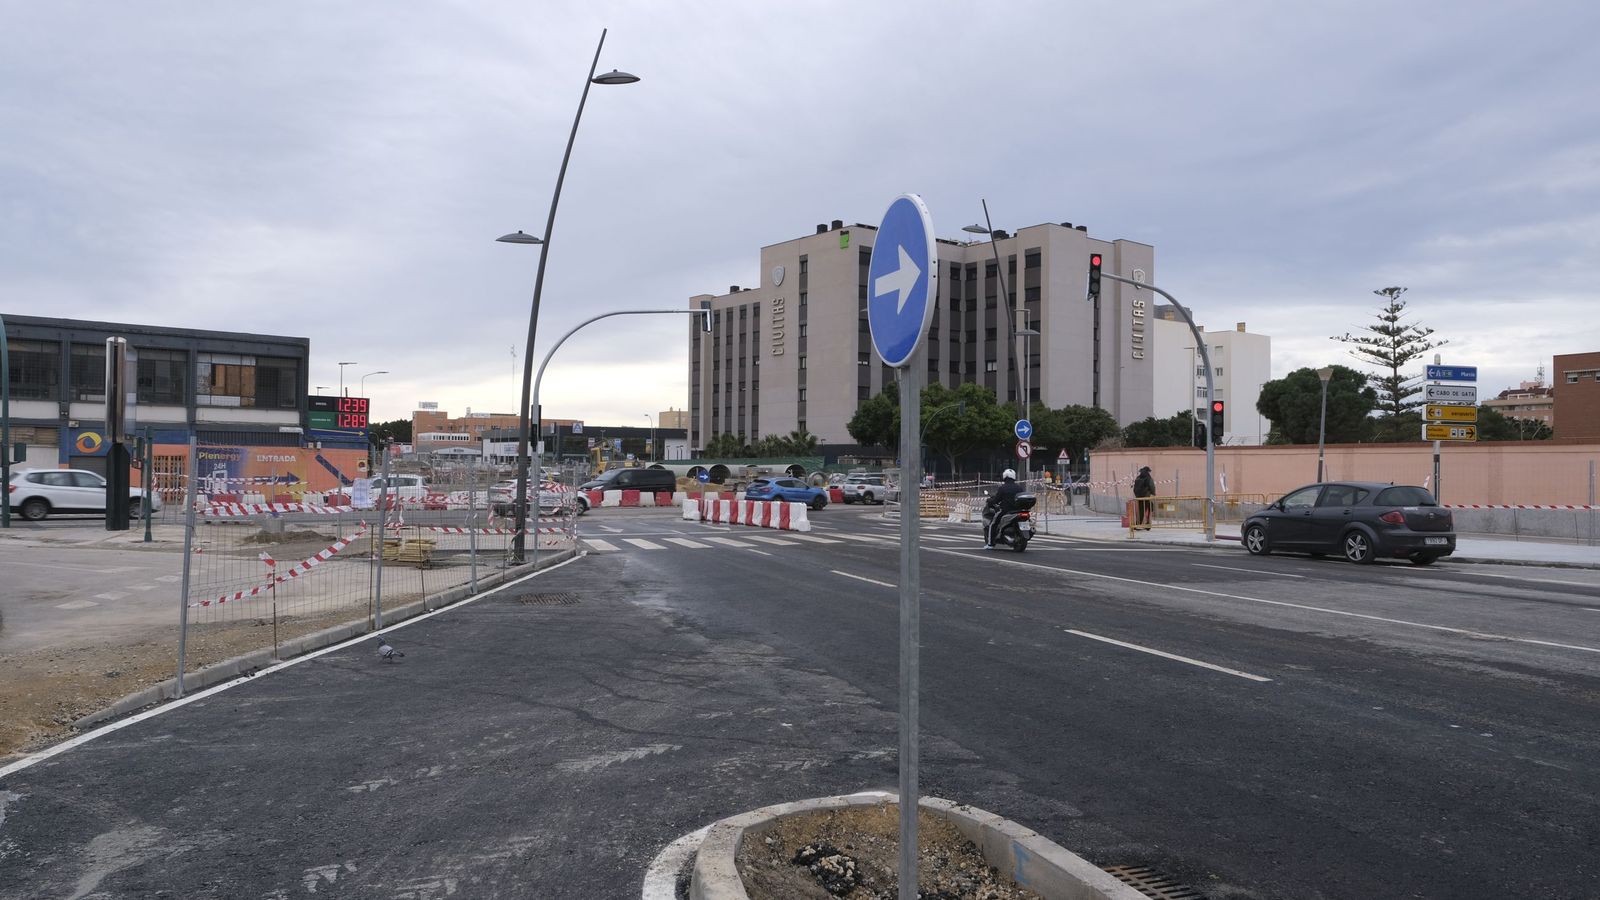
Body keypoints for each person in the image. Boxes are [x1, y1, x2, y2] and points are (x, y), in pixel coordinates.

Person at [984, 468, 1025, 548]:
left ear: (1005, 476)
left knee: (993, 524)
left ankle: (990, 544)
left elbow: (996, 500)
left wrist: (989, 501)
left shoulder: (1003, 488)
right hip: (1018, 510)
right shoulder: (1019, 488)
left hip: (1005, 510)